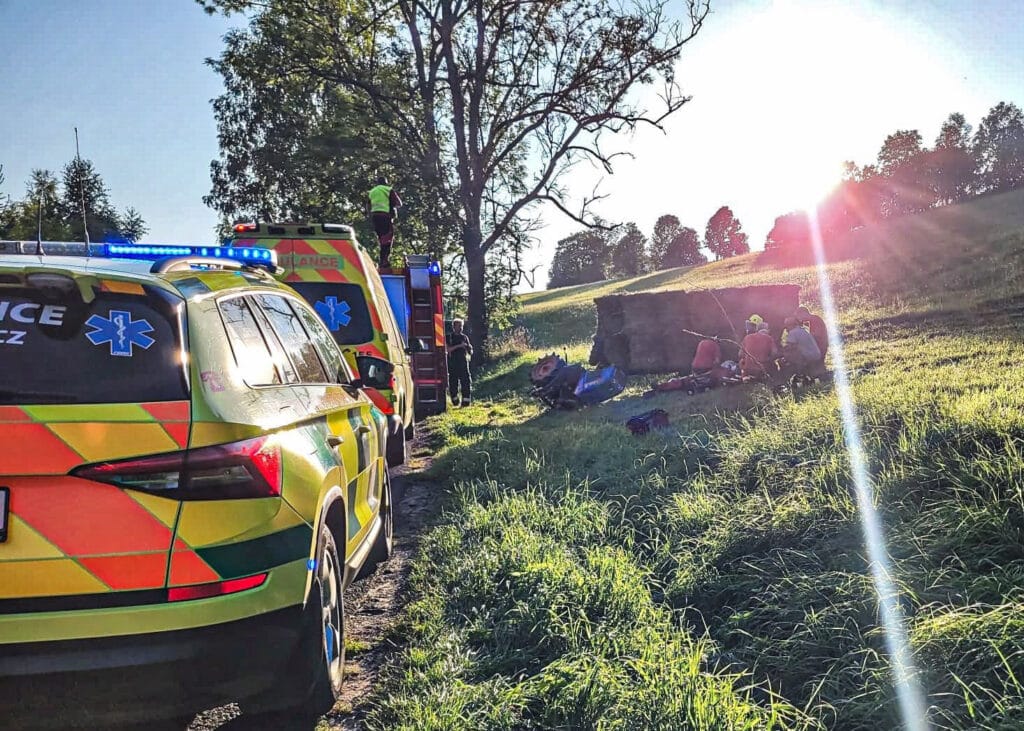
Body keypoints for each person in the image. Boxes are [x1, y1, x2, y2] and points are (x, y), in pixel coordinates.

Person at [366, 176, 403, 268]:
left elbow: (368, 205)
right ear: (386, 183)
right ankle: (384, 261)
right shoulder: (388, 190)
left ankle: (382, 260)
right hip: (385, 216)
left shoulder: (372, 191)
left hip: (375, 217)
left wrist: (370, 215)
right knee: (387, 238)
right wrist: (392, 205)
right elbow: (399, 203)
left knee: (381, 238)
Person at [780, 316, 822, 380]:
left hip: (808, 356)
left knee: (787, 358)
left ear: (790, 325)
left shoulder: (793, 332)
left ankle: (799, 376)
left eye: (786, 327)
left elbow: (790, 347)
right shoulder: (804, 330)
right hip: (817, 354)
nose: (786, 329)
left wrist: (781, 353)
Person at [739, 314, 776, 378]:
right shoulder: (769, 338)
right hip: (762, 370)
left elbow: (740, 354)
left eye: (751, 325)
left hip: (747, 370)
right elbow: (774, 353)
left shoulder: (747, 337)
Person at [446, 319, 473, 406]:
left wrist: (469, 348)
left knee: (466, 381)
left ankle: (466, 401)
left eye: (461, 326)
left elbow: (470, 351)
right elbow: (448, 349)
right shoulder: (449, 337)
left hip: (463, 363)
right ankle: (455, 399)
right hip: (453, 363)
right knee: (453, 383)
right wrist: (459, 346)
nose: (460, 328)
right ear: (454, 327)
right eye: (458, 326)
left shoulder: (464, 337)